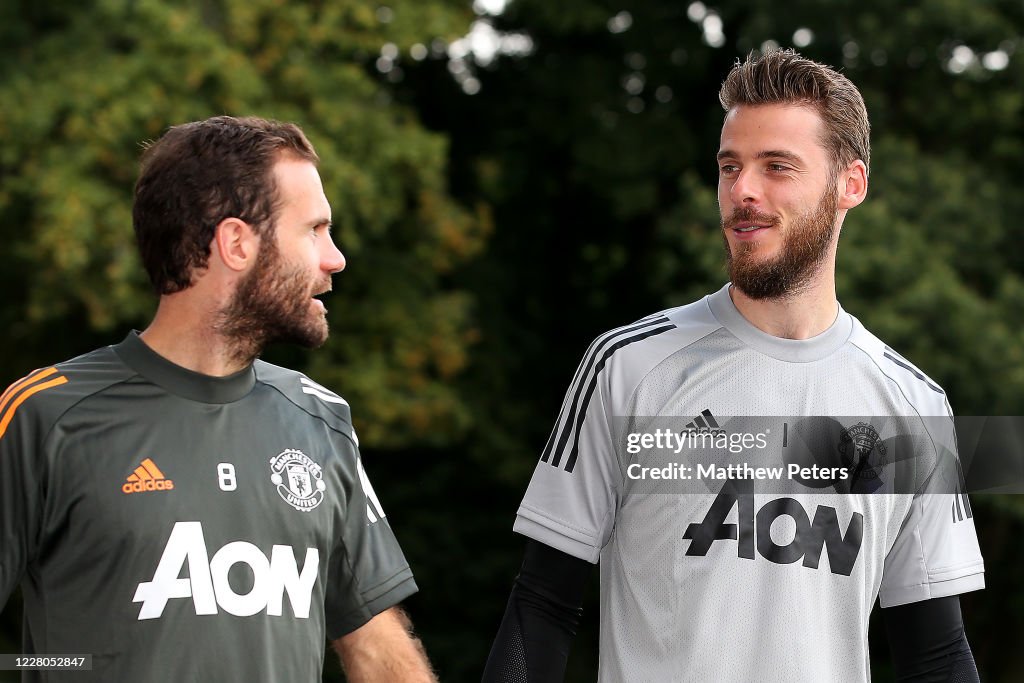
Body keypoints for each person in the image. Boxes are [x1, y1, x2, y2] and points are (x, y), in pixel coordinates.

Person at [482, 49, 984, 682]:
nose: (743, 190)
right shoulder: (628, 367)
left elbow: (935, 654)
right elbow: (542, 606)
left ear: (850, 185)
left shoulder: (913, 408)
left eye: (777, 167)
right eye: (730, 166)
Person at [0, 116, 436, 682]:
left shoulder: (320, 419)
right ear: (236, 243)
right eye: (314, 230)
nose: (335, 259)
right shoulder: (45, 415)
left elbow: (378, 651)